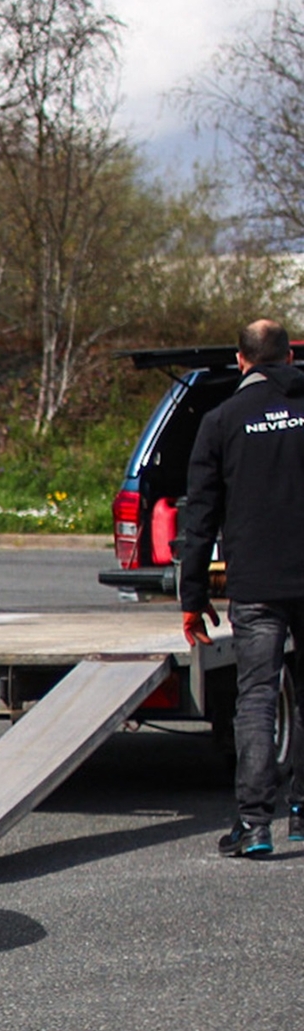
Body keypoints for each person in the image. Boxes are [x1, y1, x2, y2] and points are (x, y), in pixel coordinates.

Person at [176, 317, 304, 859]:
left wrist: (193, 596)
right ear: (290, 358)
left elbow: (199, 517)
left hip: (256, 582)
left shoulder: (223, 419)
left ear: (241, 360)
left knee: (256, 697)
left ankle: (255, 824)